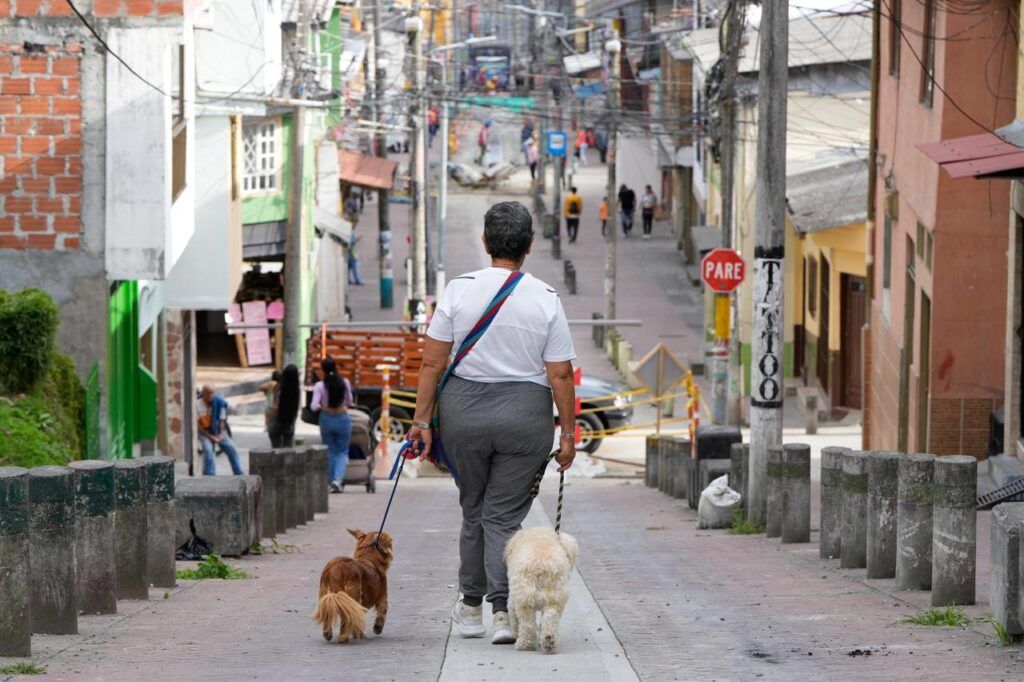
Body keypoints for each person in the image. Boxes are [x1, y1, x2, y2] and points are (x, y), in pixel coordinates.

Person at [406, 201, 577, 646]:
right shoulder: (545, 298)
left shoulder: (458, 291)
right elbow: (559, 373)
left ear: (485, 243)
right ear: (530, 246)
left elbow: (431, 362)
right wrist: (568, 434)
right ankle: (504, 612)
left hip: (464, 412)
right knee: (501, 516)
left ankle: (469, 607)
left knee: (473, 508)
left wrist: (421, 421)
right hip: (525, 416)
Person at [312, 357, 355, 493]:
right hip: (343, 418)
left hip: (326, 419)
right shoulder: (345, 382)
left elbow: (313, 406)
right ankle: (338, 479)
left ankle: (330, 481)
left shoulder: (319, 386)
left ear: (323, 370)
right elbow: (350, 401)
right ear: (336, 367)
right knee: (342, 451)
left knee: (330, 450)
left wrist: (323, 407)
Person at [197, 385, 243, 476]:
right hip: (204, 432)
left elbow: (222, 420)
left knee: (231, 447)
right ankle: (209, 475)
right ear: (203, 394)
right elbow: (197, 425)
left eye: (212, 393)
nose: (210, 395)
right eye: (207, 393)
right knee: (208, 449)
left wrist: (220, 435)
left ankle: (239, 473)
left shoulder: (219, 402)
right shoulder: (197, 404)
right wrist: (210, 437)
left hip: (218, 430)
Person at [268, 364, 301, 447]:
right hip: (289, 422)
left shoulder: (278, 387)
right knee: (287, 451)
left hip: (276, 420)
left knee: (275, 450)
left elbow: (274, 407)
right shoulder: (296, 391)